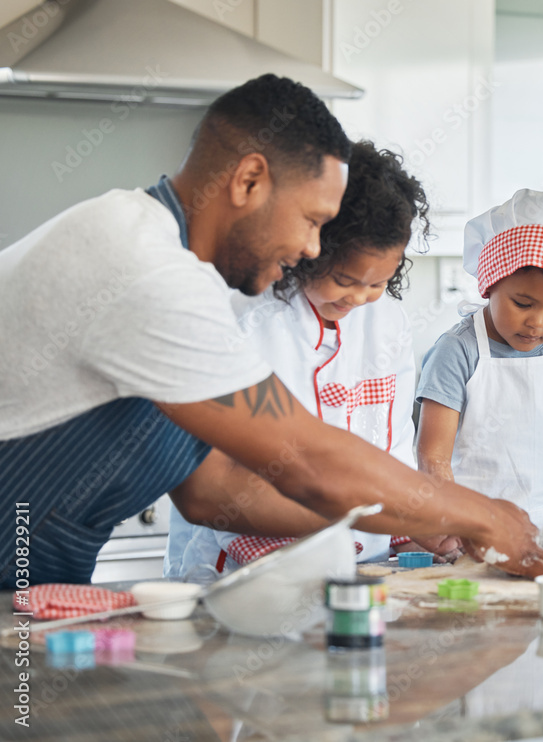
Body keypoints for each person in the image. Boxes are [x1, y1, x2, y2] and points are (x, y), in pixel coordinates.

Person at [0, 74, 543, 589]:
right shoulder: (145, 269)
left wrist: (408, 518)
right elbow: (311, 461)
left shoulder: (165, 259)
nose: (312, 248)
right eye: (312, 220)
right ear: (248, 180)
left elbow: (210, 489)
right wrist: (482, 516)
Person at [164, 140, 461, 580]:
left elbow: (392, 446)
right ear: (310, 246)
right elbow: (215, 483)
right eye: (345, 280)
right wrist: (379, 513)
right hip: (245, 566)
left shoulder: (389, 321)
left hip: (367, 562)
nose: (359, 297)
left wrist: (411, 529)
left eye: (379, 283)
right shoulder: (246, 318)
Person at [415, 188, 543, 554]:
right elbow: (433, 456)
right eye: (522, 303)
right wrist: (458, 526)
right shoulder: (457, 351)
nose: (536, 323)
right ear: (490, 283)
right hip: (470, 541)